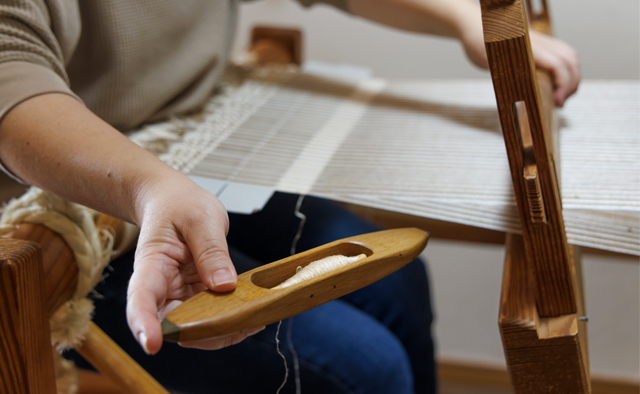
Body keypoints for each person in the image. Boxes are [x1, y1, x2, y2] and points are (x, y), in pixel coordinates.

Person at [0, 0, 580, 393]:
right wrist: (149, 186)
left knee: (398, 286)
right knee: (366, 371)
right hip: (66, 198)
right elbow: (10, 66)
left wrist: (463, 17)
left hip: (187, 150)